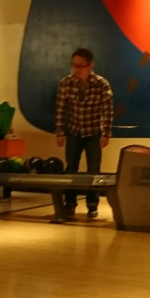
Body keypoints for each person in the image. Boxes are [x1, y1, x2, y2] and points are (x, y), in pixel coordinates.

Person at [55, 47, 113, 218]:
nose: (77, 69)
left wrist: (106, 133)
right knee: (71, 168)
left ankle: (92, 204)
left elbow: (108, 111)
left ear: (90, 66)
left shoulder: (101, 84)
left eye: (81, 66)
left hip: (93, 132)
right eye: (74, 65)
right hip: (74, 131)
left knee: (93, 170)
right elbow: (60, 109)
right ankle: (70, 203)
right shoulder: (66, 83)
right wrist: (60, 132)